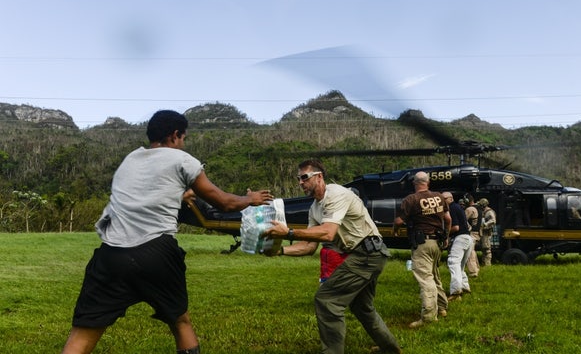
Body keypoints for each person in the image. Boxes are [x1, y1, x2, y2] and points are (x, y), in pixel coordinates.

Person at [62, 110, 273, 354]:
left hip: (111, 256)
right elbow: (223, 202)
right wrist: (250, 198)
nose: (183, 143)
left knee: (83, 331)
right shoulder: (182, 160)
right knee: (180, 322)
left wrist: (181, 194)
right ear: (175, 135)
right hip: (155, 253)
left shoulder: (130, 160)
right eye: (184, 138)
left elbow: (144, 195)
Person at [263, 159, 401, 354]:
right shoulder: (315, 208)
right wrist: (280, 251)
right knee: (362, 307)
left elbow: (328, 233)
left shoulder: (335, 193)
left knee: (327, 300)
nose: (301, 182)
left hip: (368, 254)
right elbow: (310, 246)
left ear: (319, 177)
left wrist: (288, 233)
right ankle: (391, 349)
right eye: (298, 179)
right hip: (366, 254)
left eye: (304, 177)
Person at [393, 171, 451, 329]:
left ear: (414, 183)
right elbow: (448, 219)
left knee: (425, 279)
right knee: (435, 275)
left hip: (422, 243)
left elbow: (399, 221)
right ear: (428, 182)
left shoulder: (411, 199)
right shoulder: (439, 197)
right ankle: (442, 308)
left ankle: (428, 316)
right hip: (437, 243)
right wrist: (446, 236)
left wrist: (395, 229)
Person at [441, 192, 474, 301]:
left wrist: (444, 234)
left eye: (443, 198)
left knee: (453, 261)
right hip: (468, 238)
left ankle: (455, 290)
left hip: (460, 238)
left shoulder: (452, 208)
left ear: (450, 199)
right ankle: (465, 287)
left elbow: (455, 227)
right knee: (460, 265)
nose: (441, 201)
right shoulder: (458, 207)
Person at [278, 240, 348, 284]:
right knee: (325, 298)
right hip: (332, 255)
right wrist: (279, 250)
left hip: (355, 253)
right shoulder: (315, 216)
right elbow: (309, 245)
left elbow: (329, 233)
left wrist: (290, 232)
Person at [463, 194, 481, 277]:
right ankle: (476, 268)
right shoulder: (478, 208)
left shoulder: (470, 209)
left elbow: (463, 219)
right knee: (472, 251)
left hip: (472, 233)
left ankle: (473, 272)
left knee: (469, 252)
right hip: (477, 233)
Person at [478, 198, 496, 266]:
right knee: (484, 248)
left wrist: (485, 224)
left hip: (486, 232)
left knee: (486, 249)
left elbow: (493, 220)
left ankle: (487, 264)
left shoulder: (489, 212)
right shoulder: (484, 211)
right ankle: (484, 263)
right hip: (483, 231)